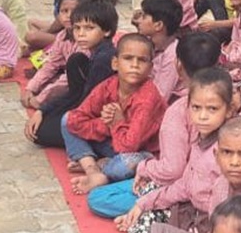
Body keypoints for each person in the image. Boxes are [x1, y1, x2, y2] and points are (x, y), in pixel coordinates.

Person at [98, 66, 235, 233]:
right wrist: (143, 203)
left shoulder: (226, 153)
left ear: (228, 110)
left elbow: (222, 218)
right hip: (190, 213)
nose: (202, 116)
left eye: (212, 109)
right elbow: (185, 185)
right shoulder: (200, 141)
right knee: (153, 194)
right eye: (196, 108)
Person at [88, 33, 225, 222]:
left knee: (99, 198)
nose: (202, 116)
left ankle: (165, 210)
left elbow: (172, 170)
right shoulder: (228, 101)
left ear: (178, 66)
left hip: (185, 188)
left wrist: (144, 168)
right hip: (205, 187)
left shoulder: (179, 110)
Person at [63, 33, 166, 194]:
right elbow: (76, 119)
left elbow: (130, 146)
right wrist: (106, 123)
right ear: (115, 63)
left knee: (121, 168)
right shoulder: (108, 86)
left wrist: (117, 122)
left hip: (142, 151)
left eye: (142, 60)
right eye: (128, 58)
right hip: (114, 141)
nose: (135, 65)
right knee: (66, 120)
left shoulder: (148, 98)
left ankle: (99, 167)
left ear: (150, 68)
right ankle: (92, 170)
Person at [28, 0, 119, 146]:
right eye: (77, 28)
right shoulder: (88, 55)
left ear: (107, 31)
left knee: (40, 132)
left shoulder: (104, 59)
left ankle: (94, 147)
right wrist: (43, 110)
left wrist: (65, 116)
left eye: (89, 28)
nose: (81, 34)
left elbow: (91, 102)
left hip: (103, 116)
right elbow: (74, 93)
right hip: (86, 104)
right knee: (75, 61)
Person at [23, 0, 92, 112]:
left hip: (85, 82)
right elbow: (51, 64)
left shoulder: (85, 40)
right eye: (64, 11)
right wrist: (30, 88)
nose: (68, 16)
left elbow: (68, 79)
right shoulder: (62, 36)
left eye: (74, 11)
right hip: (70, 76)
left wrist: (41, 99)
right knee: (46, 73)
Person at [134, 0, 184, 104]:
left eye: (144, 17)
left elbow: (160, 96)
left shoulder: (173, 56)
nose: (139, 21)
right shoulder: (152, 44)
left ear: (158, 25)